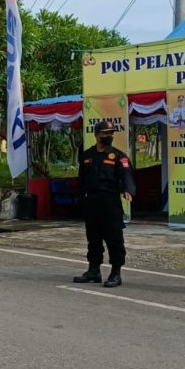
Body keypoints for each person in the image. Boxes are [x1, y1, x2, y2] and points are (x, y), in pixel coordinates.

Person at [73, 120, 135, 288]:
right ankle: (94, 270)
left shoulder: (118, 156)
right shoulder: (86, 156)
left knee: (114, 238)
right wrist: (79, 199)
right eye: (105, 133)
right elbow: (82, 180)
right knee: (93, 238)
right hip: (92, 203)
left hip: (110, 203)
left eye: (111, 133)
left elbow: (126, 175)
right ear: (96, 134)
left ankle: (116, 272)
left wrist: (128, 189)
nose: (109, 136)